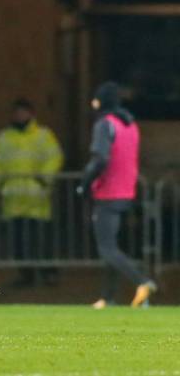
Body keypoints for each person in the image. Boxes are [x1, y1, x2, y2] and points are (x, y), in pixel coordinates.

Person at [77, 82, 157, 308]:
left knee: (106, 248)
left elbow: (100, 159)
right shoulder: (130, 124)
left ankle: (142, 281)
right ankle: (108, 297)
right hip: (126, 190)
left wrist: (85, 183)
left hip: (108, 192)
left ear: (100, 102)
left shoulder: (105, 124)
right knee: (111, 246)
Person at [0, 98, 63, 287]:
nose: (20, 116)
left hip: (37, 199)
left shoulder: (43, 135)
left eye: (23, 112)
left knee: (42, 238)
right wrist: (1, 184)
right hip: (13, 200)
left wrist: (43, 180)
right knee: (18, 241)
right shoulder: (4, 137)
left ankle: (48, 272)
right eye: (17, 113)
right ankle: (26, 274)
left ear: (31, 114)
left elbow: (54, 157)